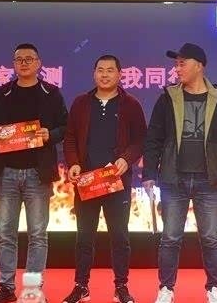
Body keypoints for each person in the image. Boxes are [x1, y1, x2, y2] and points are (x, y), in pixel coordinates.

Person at [142, 43, 217, 303]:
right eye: (176, 64)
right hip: (173, 178)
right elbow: (153, 138)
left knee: (211, 237)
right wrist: (149, 173)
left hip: (209, 180)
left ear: (199, 66)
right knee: (170, 237)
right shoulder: (167, 97)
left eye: (182, 63)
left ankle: (214, 288)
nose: (177, 69)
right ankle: (166, 288)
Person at [0, 43, 68, 303]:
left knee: (38, 234)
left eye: (29, 59)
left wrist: (50, 134)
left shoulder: (51, 93)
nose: (23, 63)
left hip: (37, 173)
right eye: (19, 59)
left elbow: (65, 127)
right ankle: (6, 287)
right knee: (5, 233)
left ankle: (33, 288)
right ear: (13, 64)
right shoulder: (2, 93)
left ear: (39, 63)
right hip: (6, 172)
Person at [61, 54, 147, 303]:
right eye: (100, 70)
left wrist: (127, 159)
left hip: (116, 181)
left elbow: (140, 139)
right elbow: (69, 137)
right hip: (87, 181)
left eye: (110, 70)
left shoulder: (131, 104)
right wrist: (74, 163)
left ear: (120, 74)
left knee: (119, 236)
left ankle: (121, 286)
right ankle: (81, 286)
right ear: (94, 73)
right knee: (84, 237)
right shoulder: (81, 103)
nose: (105, 74)